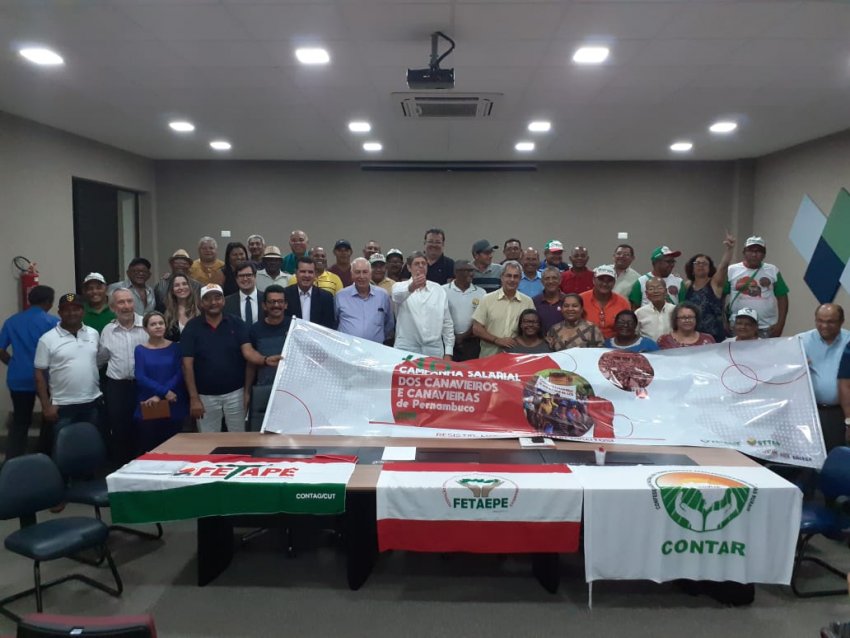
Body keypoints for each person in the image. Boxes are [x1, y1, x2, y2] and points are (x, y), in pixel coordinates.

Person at [181, 284, 280, 433]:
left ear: (223, 300)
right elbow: (187, 365)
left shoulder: (236, 323)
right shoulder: (192, 327)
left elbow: (248, 352)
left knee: (238, 438)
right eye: (208, 299)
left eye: (217, 298)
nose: (213, 302)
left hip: (235, 394)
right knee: (208, 440)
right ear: (201, 303)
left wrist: (265, 360)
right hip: (204, 396)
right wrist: (194, 398)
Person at [34, 293, 101, 446]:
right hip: (62, 406)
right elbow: (39, 374)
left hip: (91, 402)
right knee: (64, 449)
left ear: (83, 311)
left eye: (76, 309)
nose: (72, 313)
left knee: (90, 447)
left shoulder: (93, 333)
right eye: (66, 310)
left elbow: (96, 361)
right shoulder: (47, 339)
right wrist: (46, 406)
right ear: (59, 313)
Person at [0, 285, 59, 458]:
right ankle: (43, 455)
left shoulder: (12, 321)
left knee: (20, 422)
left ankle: (12, 461)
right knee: (49, 418)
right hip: (46, 377)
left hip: (18, 377)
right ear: (49, 302)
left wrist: (12, 363)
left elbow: (1, 349)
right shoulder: (53, 322)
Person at [98, 287, 148, 465]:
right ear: (113, 307)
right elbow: (101, 359)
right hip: (118, 387)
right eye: (121, 302)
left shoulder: (147, 325)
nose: (126, 306)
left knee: (145, 428)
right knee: (120, 430)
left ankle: (144, 468)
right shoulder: (108, 330)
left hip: (144, 387)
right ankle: (121, 468)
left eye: (129, 301)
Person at [133, 311, 188, 454]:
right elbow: (140, 376)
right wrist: (164, 392)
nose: (158, 326)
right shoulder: (140, 350)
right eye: (153, 324)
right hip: (150, 403)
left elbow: (179, 373)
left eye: (160, 323)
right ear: (145, 329)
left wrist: (162, 395)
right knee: (150, 447)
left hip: (173, 401)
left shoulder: (176, 347)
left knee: (175, 448)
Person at [798, 304, 850, 451]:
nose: (824, 326)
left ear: (841, 321)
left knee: (838, 455)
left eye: (830, 322)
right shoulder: (801, 341)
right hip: (811, 413)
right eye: (820, 321)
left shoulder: (849, 342)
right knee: (810, 455)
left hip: (841, 413)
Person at [724, 236, 789, 338]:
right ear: (744, 252)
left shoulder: (772, 270)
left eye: (758, 251)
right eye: (750, 251)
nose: (754, 254)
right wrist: (723, 321)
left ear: (764, 254)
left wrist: (780, 325)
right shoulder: (731, 270)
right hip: (739, 327)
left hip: (766, 327)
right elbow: (721, 296)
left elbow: (782, 298)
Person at [392, 252, 454, 358]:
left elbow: (447, 322)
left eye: (423, 263)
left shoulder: (438, 289)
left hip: (434, 349)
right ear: (409, 268)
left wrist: (449, 352)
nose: (421, 266)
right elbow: (397, 296)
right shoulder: (399, 286)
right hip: (406, 348)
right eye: (417, 264)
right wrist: (412, 287)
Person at [472, 261, 535, 357]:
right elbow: (476, 328)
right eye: (508, 276)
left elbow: (533, 328)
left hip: (517, 357)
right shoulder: (487, 299)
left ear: (520, 279)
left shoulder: (528, 302)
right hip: (489, 357)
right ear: (501, 277)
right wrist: (497, 340)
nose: (512, 279)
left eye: (516, 276)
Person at [683, 232, 736, 343]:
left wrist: (730, 249)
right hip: (692, 336)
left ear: (710, 268)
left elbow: (723, 266)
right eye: (697, 263)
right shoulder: (687, 285)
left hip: (714, 336)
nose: (701, 265)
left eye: (704, 263)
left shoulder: (715, 284)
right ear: (692, 268)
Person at [336, 258, 394, 343]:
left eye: (365, 272)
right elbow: (334, 322)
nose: (361, 276)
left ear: (370, 274)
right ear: (351, 274)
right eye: (357, 272)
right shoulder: (340, 296)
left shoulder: (383, 295)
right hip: (347, 348)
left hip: (376, 348)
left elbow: (389, 324)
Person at [246, 285, 292, 387]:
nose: (276, 305)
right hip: (263, 388)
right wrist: (247, 391)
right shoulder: (255, 330)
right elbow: (251, 364)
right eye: (271, 302)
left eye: (280, 301)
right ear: (264, 305)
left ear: (286, 305)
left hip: (290, 388)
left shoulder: (294, 326)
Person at [443, 260, 486, 361]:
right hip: (447, 341)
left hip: (471, 342)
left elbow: (481, 319)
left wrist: (463, 336)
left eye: (472, 271)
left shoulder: (481, 293)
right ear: (456, 272)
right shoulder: (443, 290)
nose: (471, 274)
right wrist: (453, 336)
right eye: (467, 270)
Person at [283, 257, 336, 329]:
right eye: (303, 271)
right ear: (296, 273)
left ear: (315, 274)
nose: (306, 275)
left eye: (310, 272)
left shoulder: (326, 297)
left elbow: (328, 326)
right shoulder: (285, 294)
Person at [580, 265, 631, 340]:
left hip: (615, 343)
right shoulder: (581, 299)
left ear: (614, 282)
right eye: (601, 279)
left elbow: (628, 328)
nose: (604, 284)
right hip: (584, 342)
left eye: (609, 280)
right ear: (593, 280)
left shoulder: (623, 303)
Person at [635, 277, 675, 342]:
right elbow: (635, 335)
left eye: (659, 288)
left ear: (666, 291)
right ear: (646, 294)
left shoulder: (675, 310)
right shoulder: (639, 313)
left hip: (671, 347)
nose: (656, 291)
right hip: (648, 348)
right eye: (651, 289)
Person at [163, 273, 200, 342]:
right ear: (172, 290)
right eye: (177, 285)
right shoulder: (167, 315)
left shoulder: (200, 310)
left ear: (190, 287)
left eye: (184, 284)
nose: (181, 288)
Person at [533, 267, 567, 333]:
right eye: (547, 278)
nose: (551, 281)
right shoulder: (535, 301)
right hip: (541, 339)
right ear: (542, 282)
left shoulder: (567, 300)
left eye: (554, 278)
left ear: (560, 280)